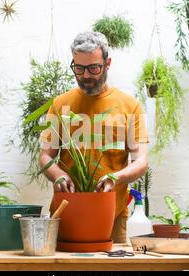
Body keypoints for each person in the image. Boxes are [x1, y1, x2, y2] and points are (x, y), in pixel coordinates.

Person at [39, 31, 149, 243]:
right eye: (78, 68)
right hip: (66, 212)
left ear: (107, 63)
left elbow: (141, 161)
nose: (86, 75)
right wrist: (58, 175)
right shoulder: (60, 104)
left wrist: (115, 178)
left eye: (93, 68)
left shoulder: (130, 106)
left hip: (111, 214)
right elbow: (46, 156)